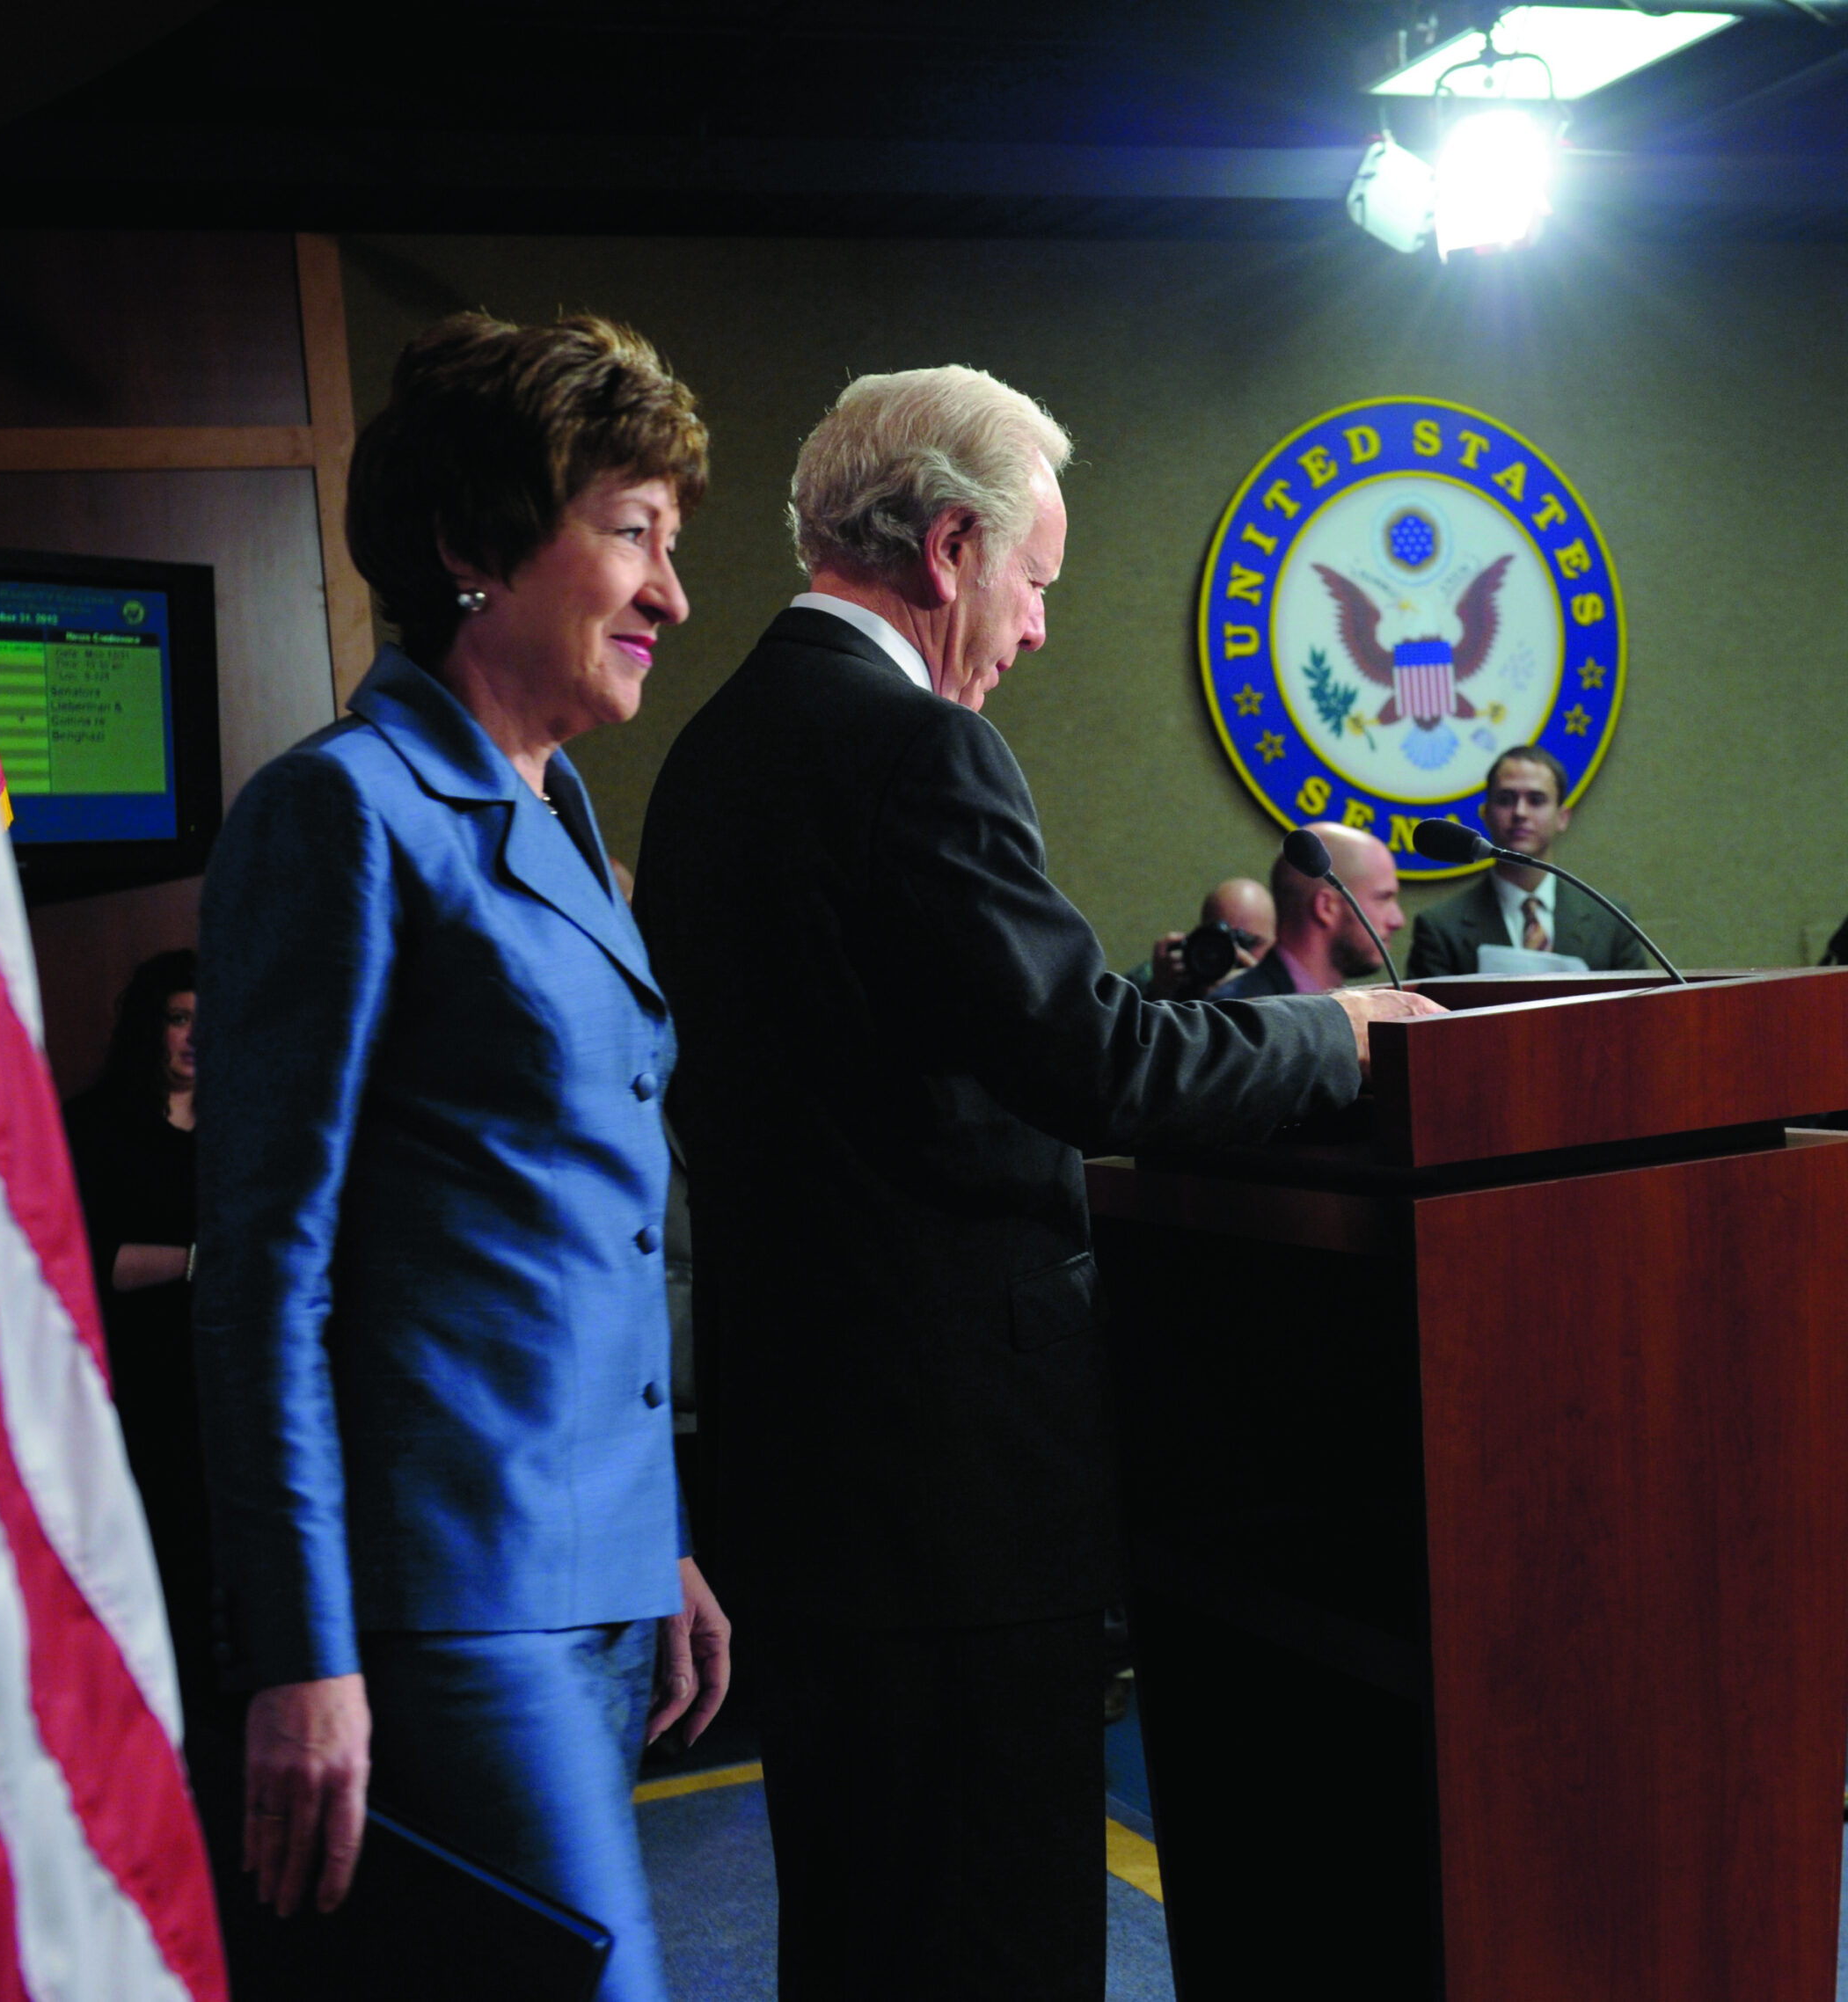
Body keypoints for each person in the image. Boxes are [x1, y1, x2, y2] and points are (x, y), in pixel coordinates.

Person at [632, 365, 1440, 1999]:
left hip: (809, 1472)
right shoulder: (914, 747)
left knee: (863, 1926)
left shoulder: (710, 752)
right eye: (1038, 579)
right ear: (949, 548)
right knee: (991, 1934)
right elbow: (1094, 1064)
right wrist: (1336, 1036)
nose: (1040, 627)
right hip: (955, 1493)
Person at [194, 311, 729, 2002]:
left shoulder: (558, 808)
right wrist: (300, 1655)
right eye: (634, 533)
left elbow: (570, 1240)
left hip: (597, 1578)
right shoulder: (343, 809)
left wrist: (655, 1544)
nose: (672, 594)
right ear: (470, 547)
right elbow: (267, 1273)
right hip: (450, 1605)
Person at [64, 950, 210, 1710]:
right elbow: (87, 1260)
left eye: (207, 1019)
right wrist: (199, 1261)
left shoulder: (244, 1126)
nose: (195, 1037)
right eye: (179, 1018)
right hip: (138, 1389)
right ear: (150, 1027)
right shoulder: (95, 1127)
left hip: (226, 1384)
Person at [1406, 745, 1646, 976]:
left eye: (1536, 800)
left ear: (1562, 817)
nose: (1520, 812)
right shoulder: (1440, 927)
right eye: (1505, 799)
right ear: (1486, 814)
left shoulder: (1612, 920)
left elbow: (1642, 1002)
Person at [1210, 823, 1405, 998]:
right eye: (1383, 898)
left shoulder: (1346, 1008)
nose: (1398, 920)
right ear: (1326, 907)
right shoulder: (1240, 1015)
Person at [1124, 875, 1276, 999]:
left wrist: (1267, 1004)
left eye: (1247, 942)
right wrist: (1158, 995)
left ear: (1275, 943)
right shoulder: (1164, 977)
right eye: (1219, 939)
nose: (1230, 952)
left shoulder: (1286, 994)